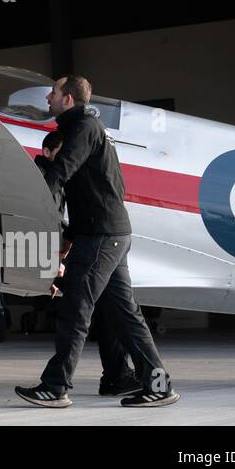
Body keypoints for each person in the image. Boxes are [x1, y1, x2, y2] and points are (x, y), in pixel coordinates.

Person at [15, 75, 178, 408]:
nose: (48, 97)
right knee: (126, 316)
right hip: (110, 234)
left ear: (69, 99)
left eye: (54, 92)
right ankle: (158, 386)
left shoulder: (84, 128)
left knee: (76, 309)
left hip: (102, 237)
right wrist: (70, 236)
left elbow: (63, 172)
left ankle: (55, 386)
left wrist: (33, 200)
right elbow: (98, 191)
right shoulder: (91, 129)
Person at [35, 129, 139, 397]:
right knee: (88, 312)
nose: (68, 157)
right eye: (61, 152)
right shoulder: (50, 176)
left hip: (92, 244)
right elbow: (51, 219)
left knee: (109, 312)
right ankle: (114, 377)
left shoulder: (67, 174)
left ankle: (118, 376)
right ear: (47, 152)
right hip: (80, 249)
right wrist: (53, 263)